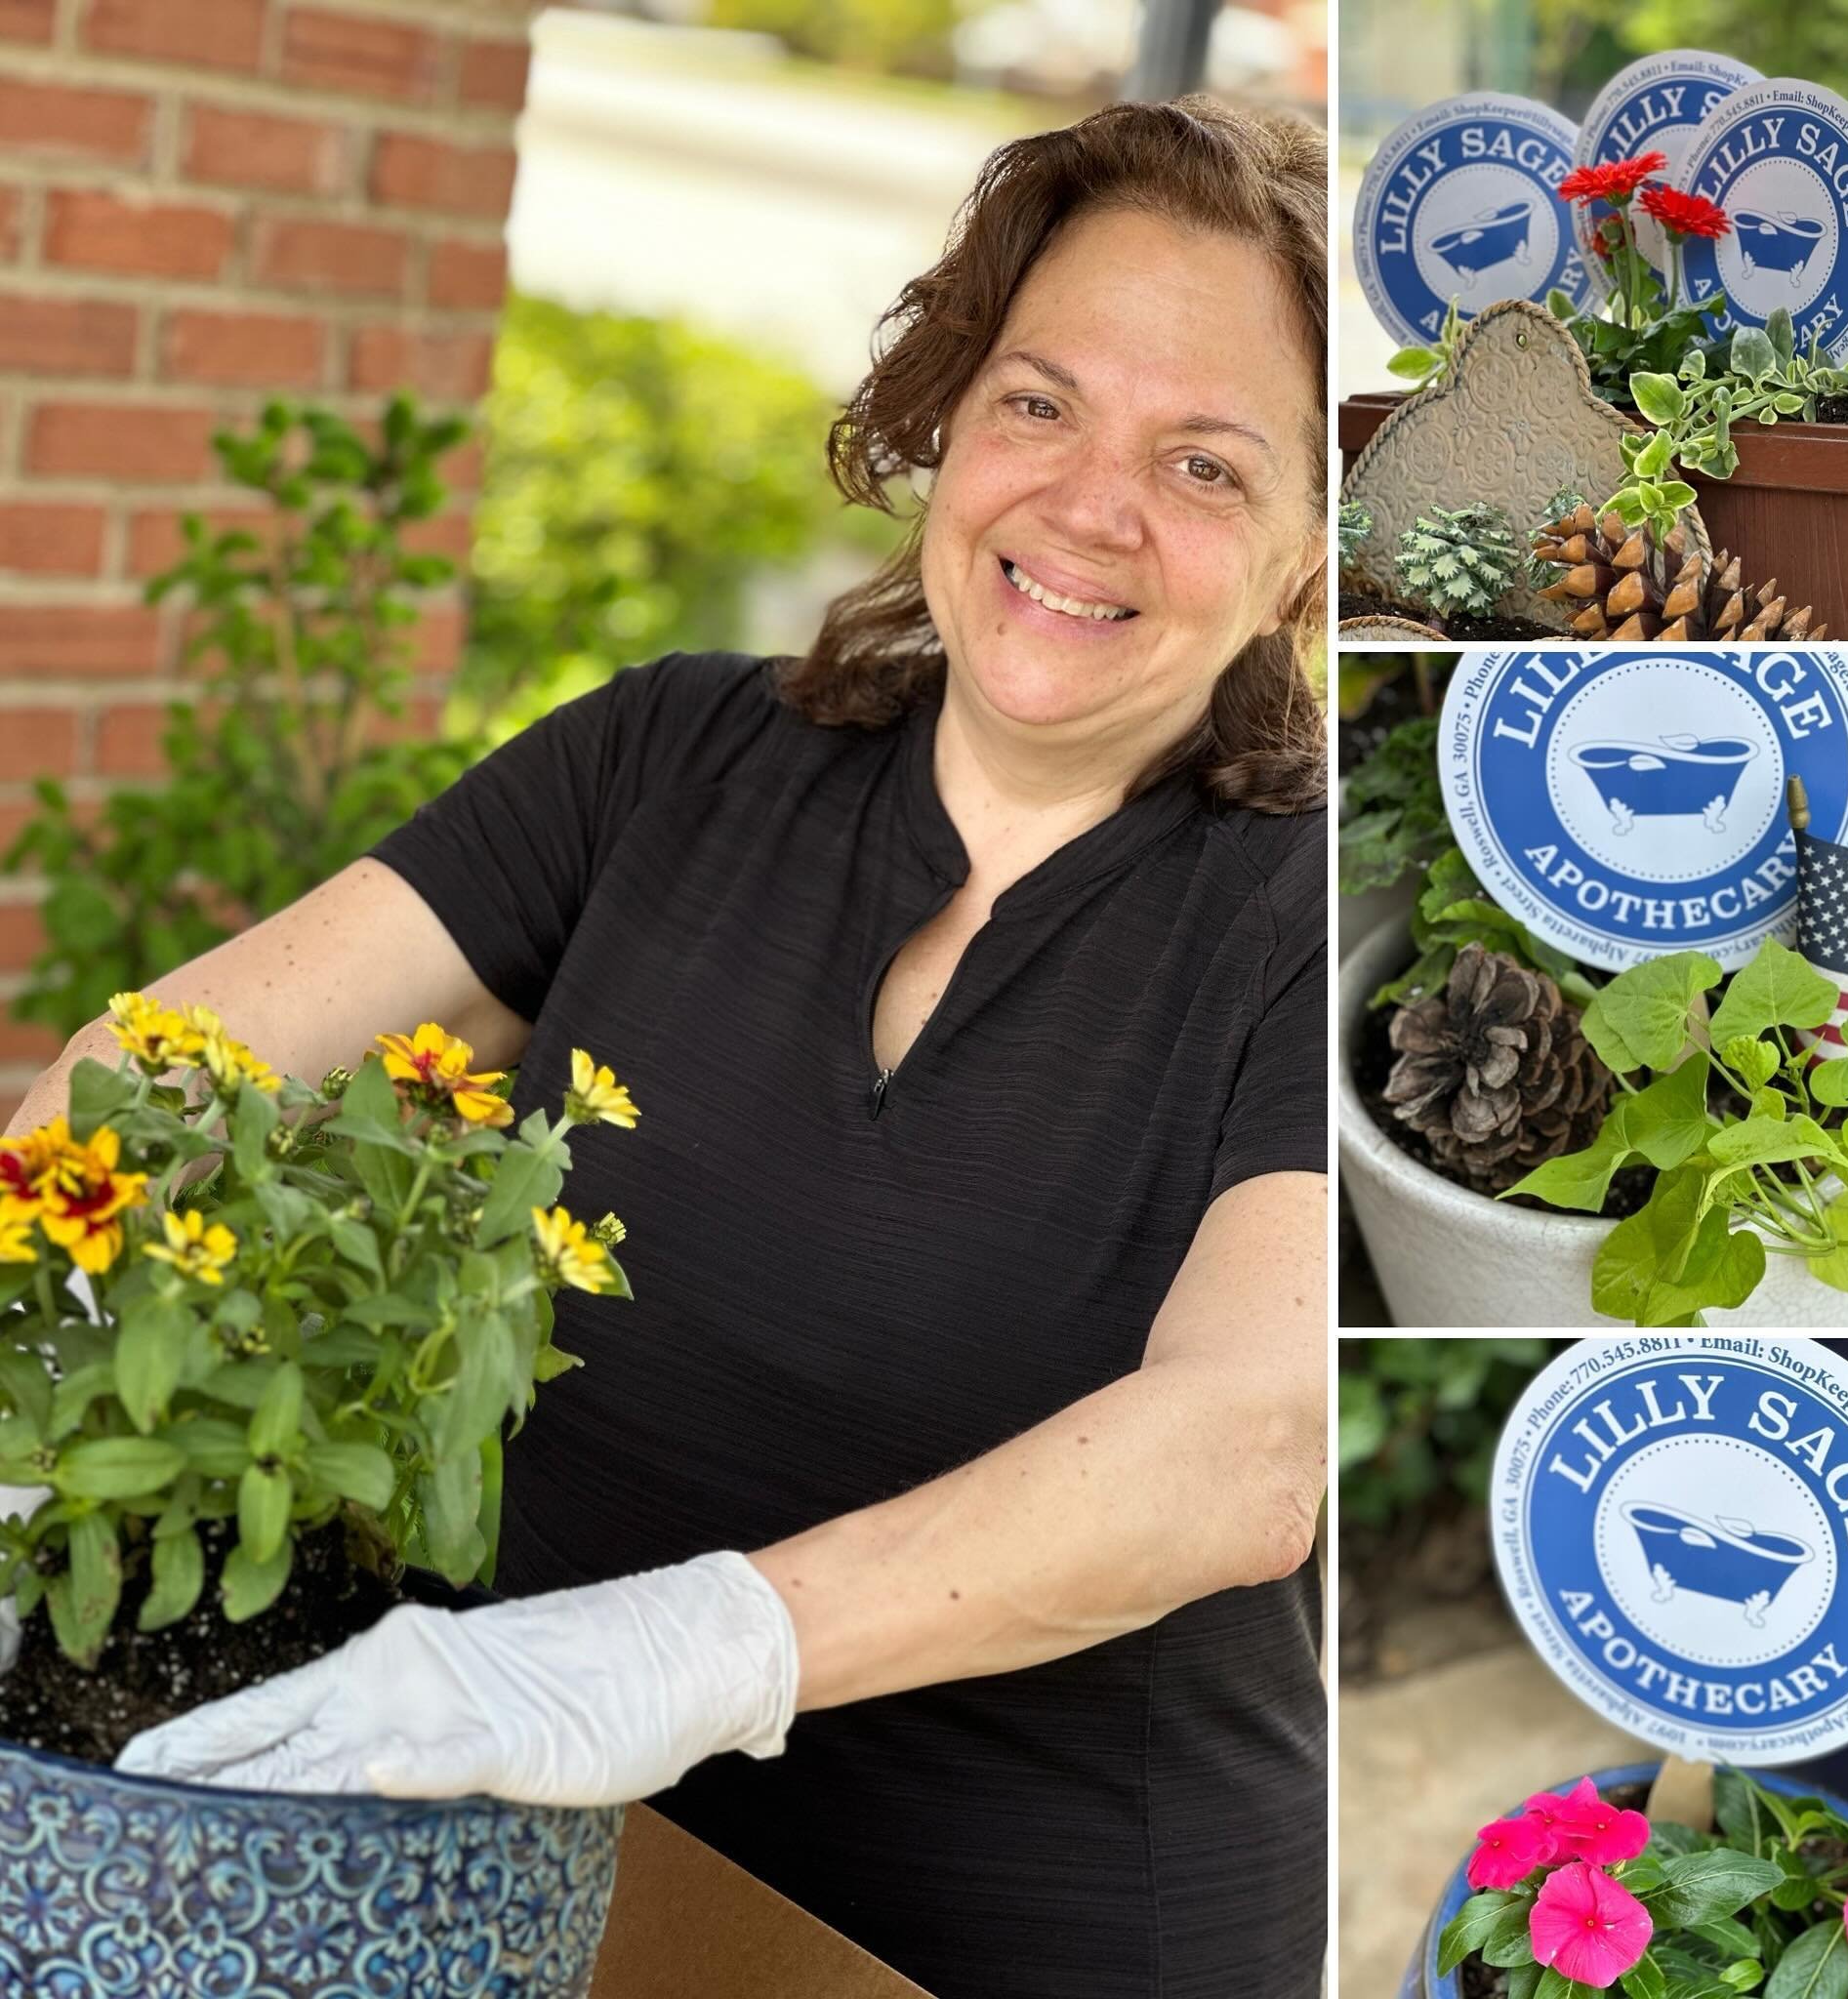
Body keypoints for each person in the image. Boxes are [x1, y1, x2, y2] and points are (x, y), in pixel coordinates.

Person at [21, 92, 1328, 1997]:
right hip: (520, 1897)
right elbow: (158, 1077)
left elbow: (1242, 1447)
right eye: (1039, 400)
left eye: (1205, 464)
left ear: (1308, 556)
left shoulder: (1306, 918)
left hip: (1020, 1953)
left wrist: (674, 1653)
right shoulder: (669, 762)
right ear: (948, 412)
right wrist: (38, 1391)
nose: (1088, 503)